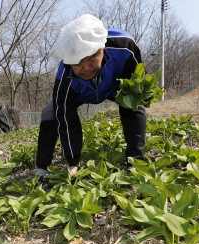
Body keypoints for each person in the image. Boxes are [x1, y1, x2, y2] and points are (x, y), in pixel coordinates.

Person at [35, 14, 146, 181]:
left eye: (91, 58)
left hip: (113, 85)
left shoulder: (125, 47)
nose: (86, 68)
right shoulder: (64, 76)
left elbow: (138, 84)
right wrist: (72, 161)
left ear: (102, 47)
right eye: (78, 63)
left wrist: (137, 94)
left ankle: (135, 161)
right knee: (50, 111)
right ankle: (42, 168)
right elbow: (66, 118)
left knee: (133, 102)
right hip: (81, 92)